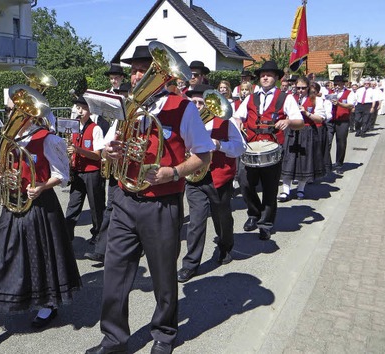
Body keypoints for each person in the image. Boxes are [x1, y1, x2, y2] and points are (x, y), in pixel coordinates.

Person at [86, 45, 215, 354]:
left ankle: (165, 334)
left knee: (163, 275)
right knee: (115, 274)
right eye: (134, 70)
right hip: (124, 199)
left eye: (144, 70)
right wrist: (110, 152)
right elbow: (105, 149)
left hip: (162, 203)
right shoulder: (125, 107)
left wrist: (172, 171)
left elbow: (204, 155)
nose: (138, 75)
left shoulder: (182, 108)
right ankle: (114, 338)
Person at [0, 96, 81, 338]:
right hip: (12, 203)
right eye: (8, 110)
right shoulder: (8, 139)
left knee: (41, 257)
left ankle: (48, 305)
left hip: (39, 205)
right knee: (1, 258)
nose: (9, 115)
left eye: (13, 110)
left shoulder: (48, 139)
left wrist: (41, 186)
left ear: (29, 113)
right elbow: (0, 165)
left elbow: (62, 174)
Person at [177, 84, 246, 283]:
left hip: (218, 177)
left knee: (221, 217)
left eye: (201, 102)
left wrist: (219, 145)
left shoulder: (225, 122)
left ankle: (225, 247)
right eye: (194, 102)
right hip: (195, 178)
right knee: (196, 221)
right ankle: (190, 264)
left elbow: (240, 148)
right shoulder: (184, 122)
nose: (198, 106)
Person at [232, 60, 304, 240]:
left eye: (270, 75)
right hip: (250, 147)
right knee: (245, 183)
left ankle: (265, 223)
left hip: (272, 148)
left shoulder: (285, 97)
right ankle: (254, 214)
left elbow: (299, 121)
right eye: (263, 75)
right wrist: (238, 122)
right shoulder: (250, 97)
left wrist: (288, 122)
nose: (265, 77)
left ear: (276, 78)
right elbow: (237, 117)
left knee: (270, 188)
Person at [84, 82, 131, 264]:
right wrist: (107, 151)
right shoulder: (118, 120)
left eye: (126, 95)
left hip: (136, 174)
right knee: (111, 209)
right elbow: (106, 144)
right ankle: (101, 250)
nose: (125, 99)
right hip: (117, 173)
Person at [65, 95, 106, 243]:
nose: (80, 111)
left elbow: (97, 156)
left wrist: (78, 150)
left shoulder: (96, 129)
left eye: (83, 108)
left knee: (96, 207)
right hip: (77, 172)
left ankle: (99, 238)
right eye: (78, 108)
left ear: (90, 111)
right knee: (72, 207)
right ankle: (67, 238)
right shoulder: (73, 127)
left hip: (92, 173)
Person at [279, 79, 328, 201]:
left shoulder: (316, 99)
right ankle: (285, 190)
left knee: (304, 161)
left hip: (307, 132)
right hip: (291, 131)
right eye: (298, 88)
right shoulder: (289, 98)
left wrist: (306, 113)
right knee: (288, 160)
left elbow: (320, 119)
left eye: (303, 88)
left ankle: (301, 188)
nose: (300, 90)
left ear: (308, 87)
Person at [327, 75, 355, 174]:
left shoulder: (349, 93)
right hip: (330, 120)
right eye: (335, 84)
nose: (337, 86)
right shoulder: (330, 93)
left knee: (341, 142)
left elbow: (351, 105)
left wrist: (339, 104)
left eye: (338, 84)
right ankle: (327, 164)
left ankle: (339, 164)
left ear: (343, 84)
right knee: (327, 142)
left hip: (343, 121)